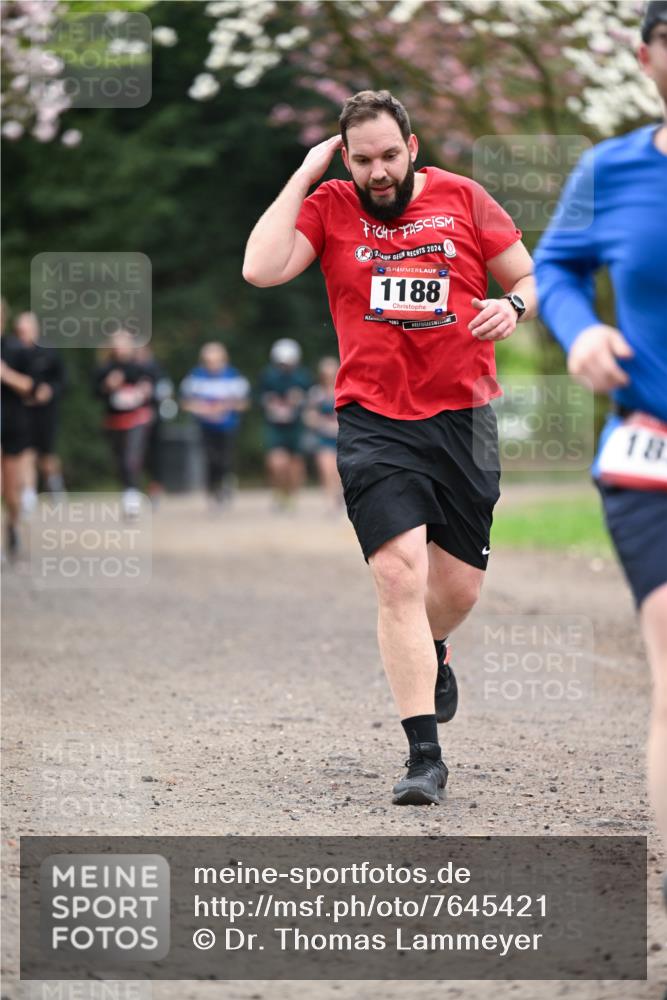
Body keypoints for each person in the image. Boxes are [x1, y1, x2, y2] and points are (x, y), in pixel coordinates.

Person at [244, 89, 536, 805]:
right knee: (398, 577)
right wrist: (306, 174)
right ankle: (423, 757)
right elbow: (260, 267)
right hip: (372, 418)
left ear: (411, 148)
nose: (377, 173)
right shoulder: (329, 206)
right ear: (346, 157)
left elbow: (528, 275)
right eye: (361, 159)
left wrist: (514, 305)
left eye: (387, 156)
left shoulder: (464, 198)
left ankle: (434, 647)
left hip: (463, 416)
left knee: (456, 587)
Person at [535, 0, 667, 906]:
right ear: (646, 54)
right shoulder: (608, 169)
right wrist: (578, 330)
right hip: (651, 454)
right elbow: (553, 266)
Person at [180, 342, 250, 508]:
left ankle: (226, 483)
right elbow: (185, 403)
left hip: (227, 426)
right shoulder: (195, 377)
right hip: (205, 427)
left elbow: (244, 403)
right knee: (210, 460)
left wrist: (225, 407)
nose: (212, 364)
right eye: (208, 360)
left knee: (225, 459)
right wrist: (202, 409)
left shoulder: (234, 377)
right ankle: (214, 491)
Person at [94, 329, 155, 518]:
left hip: (137, 419)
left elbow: (154, 387)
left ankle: (132, 496)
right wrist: (107, 386)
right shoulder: (105, 369)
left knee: (131, 458)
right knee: (120, 460)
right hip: (115, 421)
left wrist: (147, 390)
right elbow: (95, 393)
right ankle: (128, 490)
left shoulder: (141, 367)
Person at [14, 311, 67, 510]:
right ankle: (28, 494)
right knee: (26, 452)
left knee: (46, 455)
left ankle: (54, 484)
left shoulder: (49, 352)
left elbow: (62, 380)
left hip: (46, 412)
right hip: (21, 411)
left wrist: (50, 390)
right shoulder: (12, 352)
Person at [257, 339, 312, 511]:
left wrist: (298, 400)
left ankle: (291, 495)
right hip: (275, 427)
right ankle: (279, 493)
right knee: (276, 463)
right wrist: (271, 404)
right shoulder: (268, 376)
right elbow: (260, 398)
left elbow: (311, 400)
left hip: (295, 427)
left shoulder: (303, 377)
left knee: (295, 464)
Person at [1, 300, 34, 559]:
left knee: (11, 492)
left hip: (12, 424)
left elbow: (30, 386)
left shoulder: (16, 350)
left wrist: (6, 375)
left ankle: (12, 526)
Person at [135, 344, 175, 507]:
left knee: (154, 455)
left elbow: (166, 392)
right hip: (132, 420)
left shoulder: (156, 369)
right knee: (136, 456)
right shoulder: (128, 368)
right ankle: (136, 488)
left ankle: (154, 487)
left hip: (153, 419)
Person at [304, 356, 343, 513]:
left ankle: (340, 495)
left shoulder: (344, 390)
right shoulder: (316, 393)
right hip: (324, 438)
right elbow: (309, 416)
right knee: (326, 469)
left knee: (338, 471)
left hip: (343, 438)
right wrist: (322, 424)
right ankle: (330, 501)